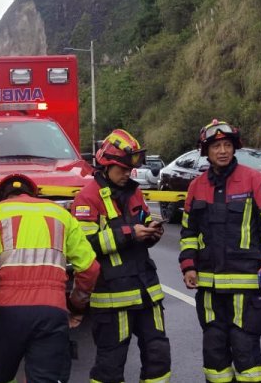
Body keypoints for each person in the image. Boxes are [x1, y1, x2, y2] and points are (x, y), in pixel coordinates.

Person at [0, 173, 101, 383]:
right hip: (52, 310)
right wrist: (77, 306)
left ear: (1, 197)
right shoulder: (59, 214)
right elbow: (90, 269)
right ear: (32, 194)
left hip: (7, 312)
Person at [180, 120, 261, 383]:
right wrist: (189, 266)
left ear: (234, 148)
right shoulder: (196, 187)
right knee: (214, 354)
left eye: (227, 145)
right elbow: (188, 233)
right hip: (209, 288)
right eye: (216, 146)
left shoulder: (254, 180)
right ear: (206, 151)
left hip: (246, 286)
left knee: (246, 351)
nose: (223, 151)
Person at [72, 129, 172, 383]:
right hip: (112, 298)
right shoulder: (87, 198)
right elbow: (85, 245)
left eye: (131, 169)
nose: (128, 174)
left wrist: (152, 232)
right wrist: (129, 233)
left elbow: (145, 220)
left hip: (146, 292)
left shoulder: (134, 192)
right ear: (106, 166)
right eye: (122, 169)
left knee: (158, 356)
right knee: (110, 367)